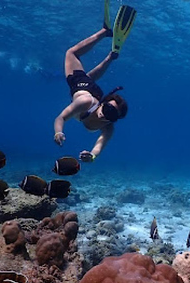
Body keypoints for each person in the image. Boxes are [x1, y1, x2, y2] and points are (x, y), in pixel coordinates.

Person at [54, 2, 136, 163]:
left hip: (91, 88)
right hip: (81, 87)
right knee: (71, 53)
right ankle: (104, 32)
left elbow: (99, 146)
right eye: (106, 108)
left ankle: (110, 56)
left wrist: (92, 156)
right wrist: (58, 132)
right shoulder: (85, 102)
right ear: (102, 104)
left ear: (115, 119)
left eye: (111, 114)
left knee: (89, 77)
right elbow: (60, 118)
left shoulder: (108, 127)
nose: (104, 114)